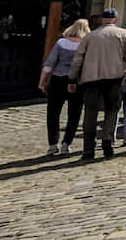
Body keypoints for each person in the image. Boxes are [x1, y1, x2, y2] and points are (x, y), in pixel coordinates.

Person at [68, 7, 126, 161]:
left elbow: (77, 59)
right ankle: (107, 142)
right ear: (116, 19)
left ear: (102, 20)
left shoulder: (90, 36)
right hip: (113, 78)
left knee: (90, 112)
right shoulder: (123, 34)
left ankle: (88, 149)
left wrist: (72, 78)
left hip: (91, 79)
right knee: (112, 110)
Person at [39, 19, 89, 155]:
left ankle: (52, 144)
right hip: (76, 81)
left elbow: (50, 63)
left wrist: (42, 80)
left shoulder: (61, 43)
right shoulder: (85, 45)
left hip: (58, 79)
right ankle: (66, 143)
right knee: (74, 114)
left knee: (53, 113)